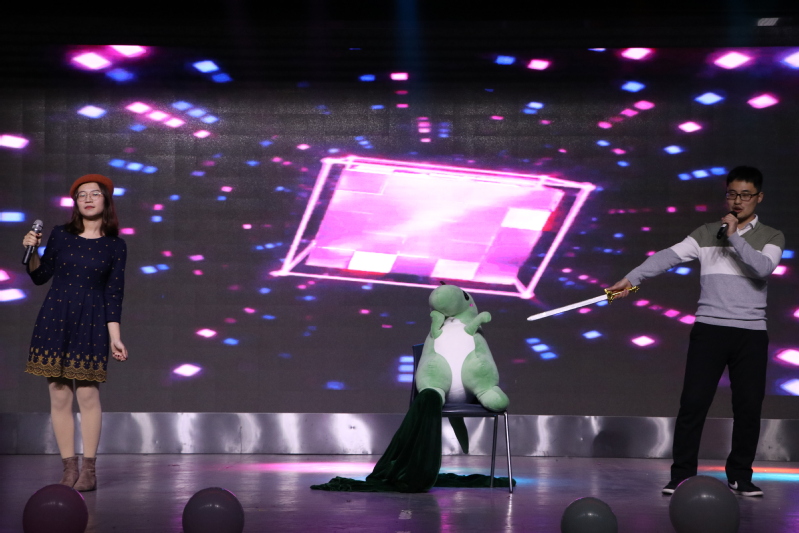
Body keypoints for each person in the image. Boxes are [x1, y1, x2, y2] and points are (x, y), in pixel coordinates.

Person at [608, 166, 784, 497]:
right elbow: (667, 257)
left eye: (745, 195)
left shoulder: (772, 236)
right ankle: (682, 475)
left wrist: (733, 236)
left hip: (750, 333)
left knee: (748, 408)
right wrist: (632, 279)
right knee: (693, 404)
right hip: (709, 329)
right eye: (732, 194)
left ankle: (740, 476)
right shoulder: (706, 233)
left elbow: (762, 269)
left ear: (759, 197)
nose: (738, 201)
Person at [22, 174, 128, 492]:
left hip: (92, 321)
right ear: (75, 203)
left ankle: (89, 470)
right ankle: (69, 468)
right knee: (58, 394)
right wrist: (32, 251)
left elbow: (113, 295)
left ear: (106, 200)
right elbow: (40, 275)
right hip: (55, 318)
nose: (88, 199)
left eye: (94, 193)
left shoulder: (115, 246)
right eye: (81, 195)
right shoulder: (61, 235)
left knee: (87, 394)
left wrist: (115, 336)